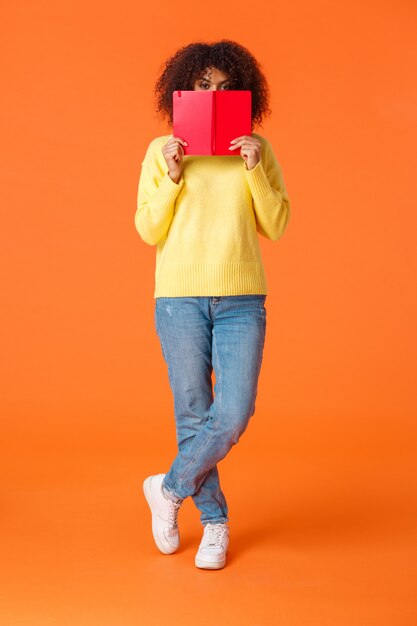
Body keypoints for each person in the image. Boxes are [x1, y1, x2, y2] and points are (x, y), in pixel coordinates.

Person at [135, 39, 291, 570]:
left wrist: (252, 168)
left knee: (235, 409)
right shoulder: (162, 150)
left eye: (226, 87)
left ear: (244, 94)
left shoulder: (258, 149)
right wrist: (174, 178)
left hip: (242, 296)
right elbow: (147, 228)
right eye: (203, 86)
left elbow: (276, 223)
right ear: (183, 90)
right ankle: (215, 524)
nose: (214, 94)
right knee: (194, 411)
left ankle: (169, 487)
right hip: (178, 295)